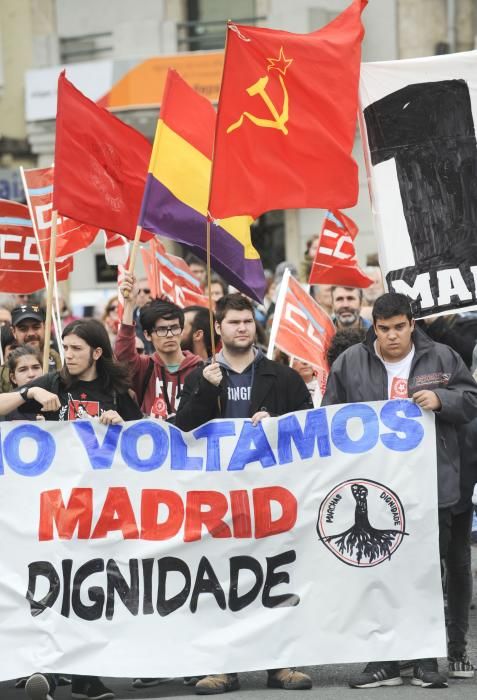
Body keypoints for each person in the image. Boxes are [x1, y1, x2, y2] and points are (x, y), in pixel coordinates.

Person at [322, 292, 477, 690]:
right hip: (375, 486)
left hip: (433, 482)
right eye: (384, 328)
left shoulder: (442, 357)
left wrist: (442, 399)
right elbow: (329, 417)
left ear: (412, 323)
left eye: (399, 327)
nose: (392, 336)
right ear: (374, 327)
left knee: (425, 573)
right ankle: (388, 659)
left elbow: (471, 400)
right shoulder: (349, 362)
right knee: (380, 571)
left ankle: (425, 659)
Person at [176, 293, 313, 693]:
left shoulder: (281, 376)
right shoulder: (200, 376)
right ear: (217, 328)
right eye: (234, 322)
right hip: (218, 498)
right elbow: (183, 430)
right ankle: (224, 666)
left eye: (248, 322)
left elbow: (309, 426)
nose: (242, 328)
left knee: (276, 575)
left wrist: (277, 422)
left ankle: (281, 664)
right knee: (222, 581)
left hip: (270, 496)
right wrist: (203, 389)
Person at [1, 319, 142, 700]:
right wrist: (29, 392)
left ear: (97, 352)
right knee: (56, 588)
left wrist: (121, 424)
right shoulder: (54, 383)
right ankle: (46, 667)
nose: (69, 354)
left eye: (77, 348)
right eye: (65, 346)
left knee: (93, 591)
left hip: (100, 511)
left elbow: (146, 442)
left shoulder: (115, 390)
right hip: (56, 510)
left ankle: (86, 676)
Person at [116, 273, 203, 419]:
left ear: (181, 331)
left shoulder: (199, 367)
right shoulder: (145, 367)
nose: (169, 335)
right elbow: (123, 355)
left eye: (174, 328)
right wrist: (130, 305)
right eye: (161, 330)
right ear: (147, 335)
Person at [0, 304, 61, 393]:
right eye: (23, 329)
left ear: (45, 327)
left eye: (36, 327)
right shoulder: (4, 372)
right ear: (13, 332)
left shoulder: (61, 360)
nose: (31, 333)